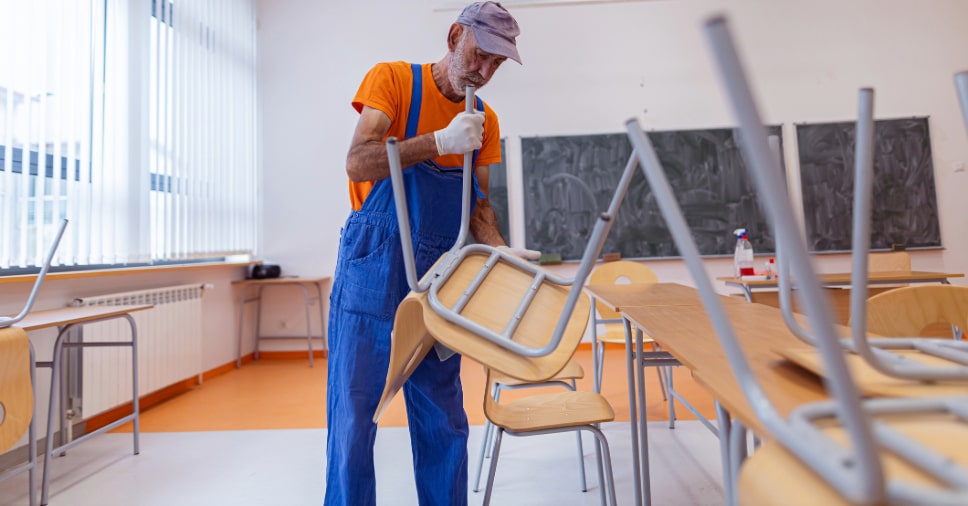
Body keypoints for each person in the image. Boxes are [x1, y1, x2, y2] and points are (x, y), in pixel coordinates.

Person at [325, 3, 536, 505]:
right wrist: (437, 141)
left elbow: (477, 206)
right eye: (481, 55)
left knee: (444, 419)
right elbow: (359, 162)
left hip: (439, 283)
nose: (484, 73)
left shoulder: (484, 119)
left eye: (497, 65)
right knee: (354, 418)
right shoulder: (394, 81)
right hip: (373, 273)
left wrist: (503, 253)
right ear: (454, 35)